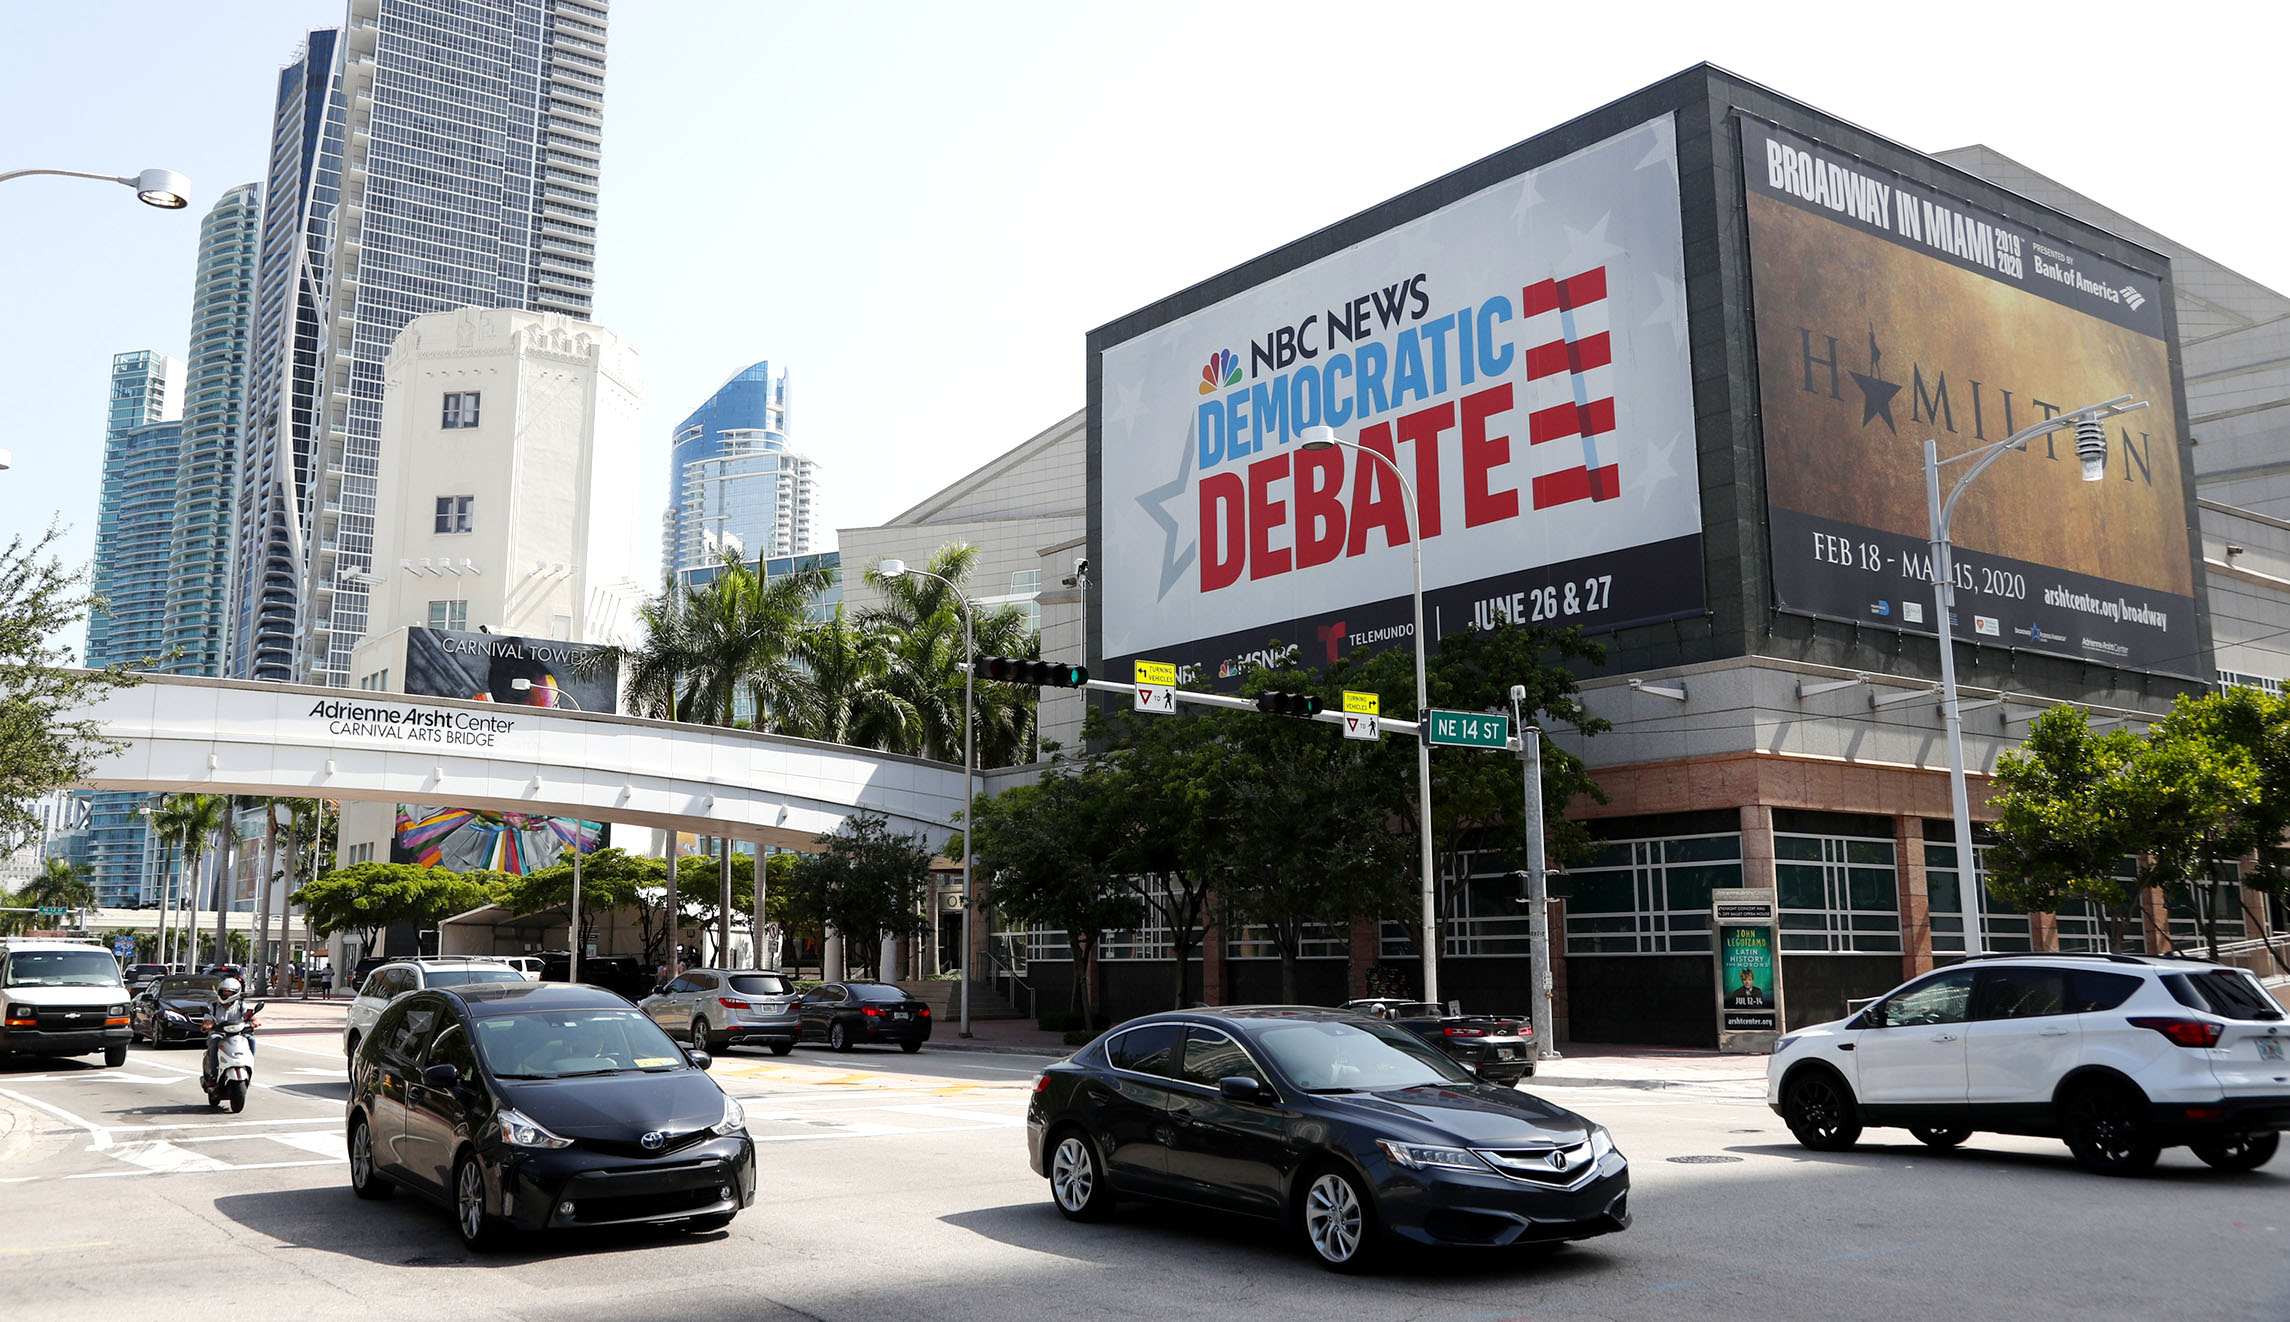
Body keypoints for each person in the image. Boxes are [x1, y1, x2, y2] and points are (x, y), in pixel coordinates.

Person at [201, 977, 259, 1085]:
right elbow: (207, 1020)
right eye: (224, 991)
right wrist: (208, 1025)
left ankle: (248, 1067)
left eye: (229, 991)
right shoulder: (213, 1006)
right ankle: (213, 1074)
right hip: (219, 1034)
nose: (226, 993)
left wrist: (254, 1021)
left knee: (251, 1040)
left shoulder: (241, 1005)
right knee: (214, 1040)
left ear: (235, 993)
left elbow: (251, 1016)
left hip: (238, 1034)